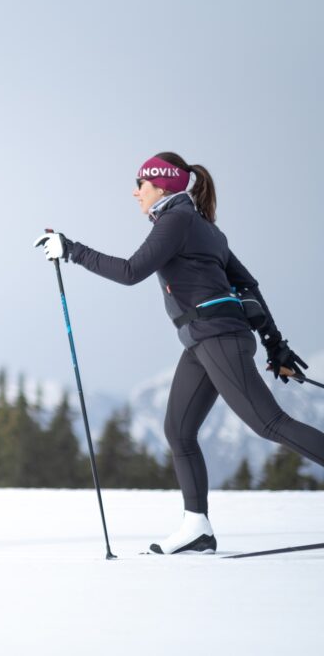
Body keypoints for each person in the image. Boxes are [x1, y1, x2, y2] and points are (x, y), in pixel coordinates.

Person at [33, 152, 324, 554]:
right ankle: (196, 527)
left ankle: (197, 526)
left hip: (216, 336)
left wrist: (72, 250)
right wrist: (276, 345)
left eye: (141, 185)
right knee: (179, 430)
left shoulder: (178, 221)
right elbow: (248, 287)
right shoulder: (203, 227)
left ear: (162, 185)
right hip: (204, 340)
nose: (134, 193)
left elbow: (131, 271)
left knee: (269, 423)